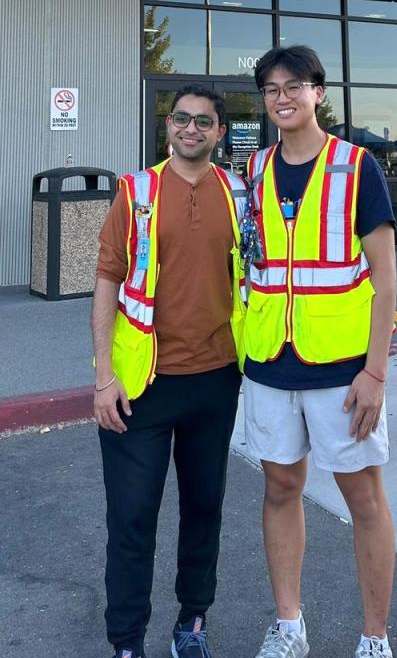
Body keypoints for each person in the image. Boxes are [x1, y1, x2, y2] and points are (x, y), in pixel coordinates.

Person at [243, 46, 397, 658]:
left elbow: (385, 280)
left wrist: (376, 373)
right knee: (280, 489)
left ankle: (375, 637)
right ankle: (289, 626)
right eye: (271, 89)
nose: (282, 97)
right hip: (269, 363)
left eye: (294, 86)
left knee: (363, 498)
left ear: (318, 93)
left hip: (342, 369)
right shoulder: (252, 172)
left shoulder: (357, 167)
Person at [92, 84, 248, 658]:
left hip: (216, 379)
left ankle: (193, 624)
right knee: (132, 518)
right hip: (143, 387)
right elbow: (107, 277)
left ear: (219, 131)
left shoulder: (238, 192)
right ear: (168, 127)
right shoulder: (136, 192)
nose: (191, 129)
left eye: (203, 122)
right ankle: (127, 641)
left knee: (204, 509)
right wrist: (104, 375)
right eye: (181, 119)